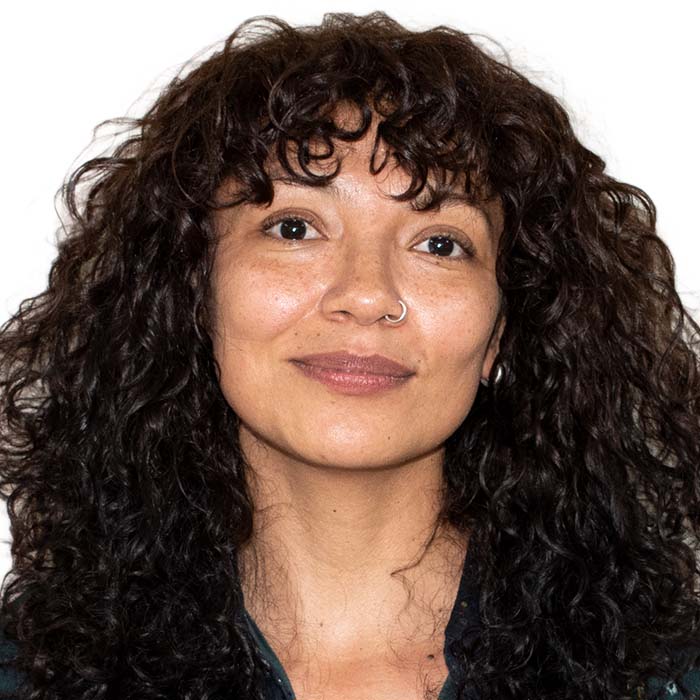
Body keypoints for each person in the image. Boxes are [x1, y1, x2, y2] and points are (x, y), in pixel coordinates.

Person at [0, 11, 698, 700]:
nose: (366, 296)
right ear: (192, 294)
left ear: (500, 335)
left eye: (440, 244)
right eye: (294, 228)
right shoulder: (32, 677)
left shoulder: (662, 679)